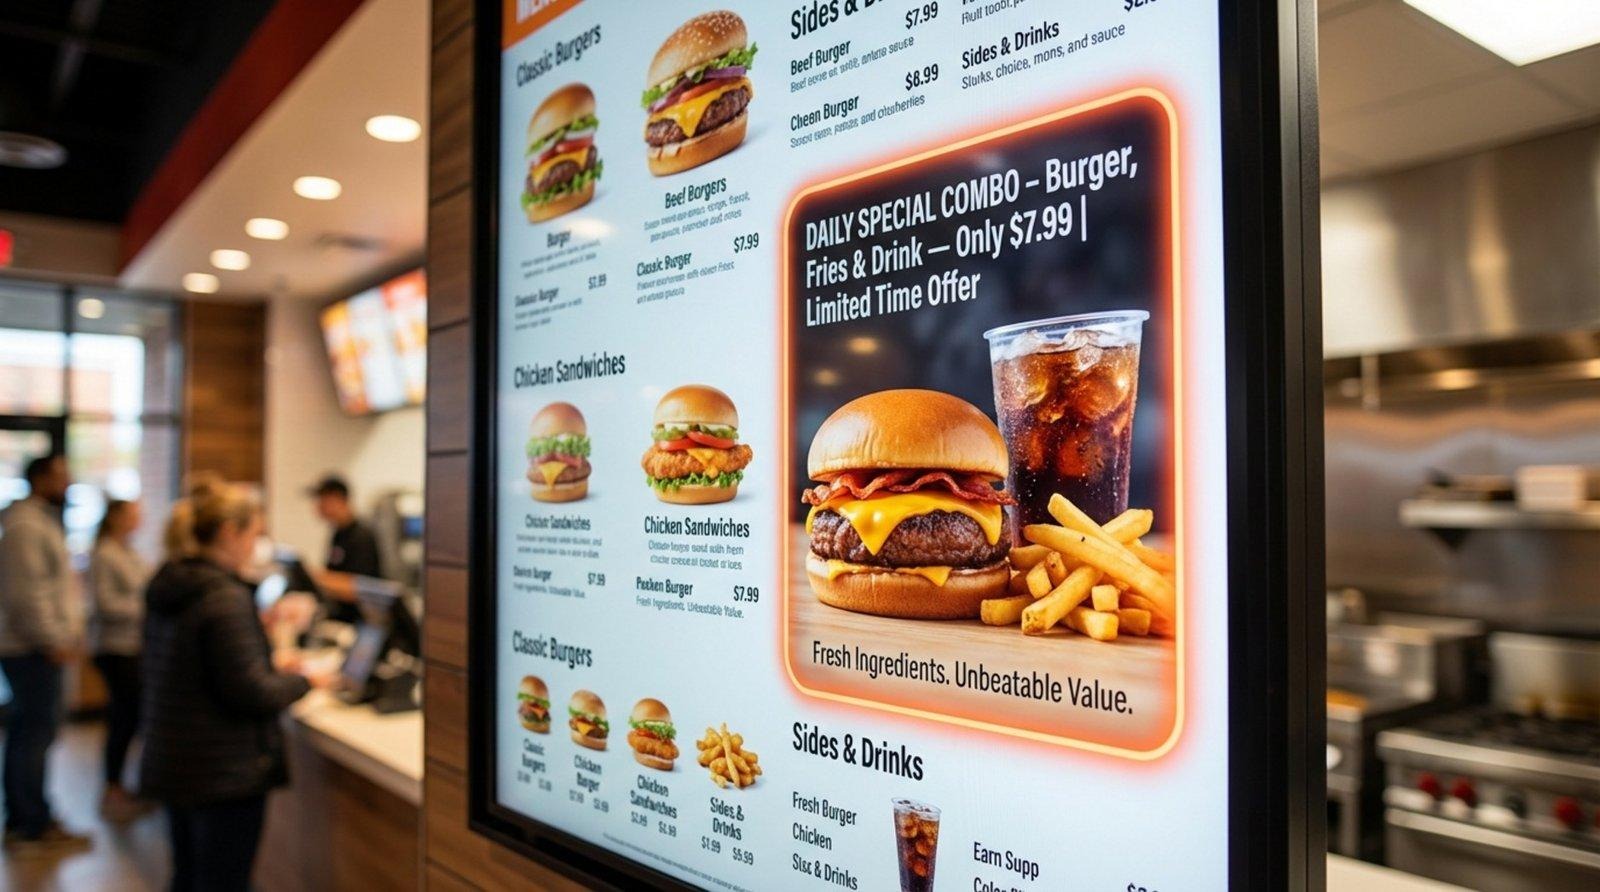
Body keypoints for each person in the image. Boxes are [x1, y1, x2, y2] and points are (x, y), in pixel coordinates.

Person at [140, 485, 326, 891]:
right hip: (222, 770)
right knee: (224, 880)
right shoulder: (225, 597)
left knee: (187, 873)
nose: (258, 545)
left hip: (178, 757)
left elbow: (200, 664)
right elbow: (252, 693)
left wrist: (260, 650)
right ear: (229, 532)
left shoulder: (174, 582)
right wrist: (306, 680)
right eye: (255, 533)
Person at [0, 454, 90, 854]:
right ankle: (29, 823)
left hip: (35, 646)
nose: (68, 481)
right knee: (33, 735)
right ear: (39, 478)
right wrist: (52, 639)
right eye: (60, 475)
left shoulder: (36, 522)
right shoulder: (25, 526)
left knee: (31, 733)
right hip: (31, 648)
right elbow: (27, 595)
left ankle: (30, 815)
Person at [88, 498, 152, 822]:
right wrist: (147, 610)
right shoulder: (105, 553)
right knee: (125, 716)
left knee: (132, 714)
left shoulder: (129, 551)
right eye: (133, 515)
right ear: (115, 519)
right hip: (115, 648)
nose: (138, 520)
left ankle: (133, 784)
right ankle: (114, 786)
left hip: (134, 646)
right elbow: (106, 604)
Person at [306, 476, 383, 623]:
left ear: (337, 499)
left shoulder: (361, 536)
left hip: (359, 620)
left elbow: (359, 587)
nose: (317, 507)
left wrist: (315, 577)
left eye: (322, 500)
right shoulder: (338, 533)